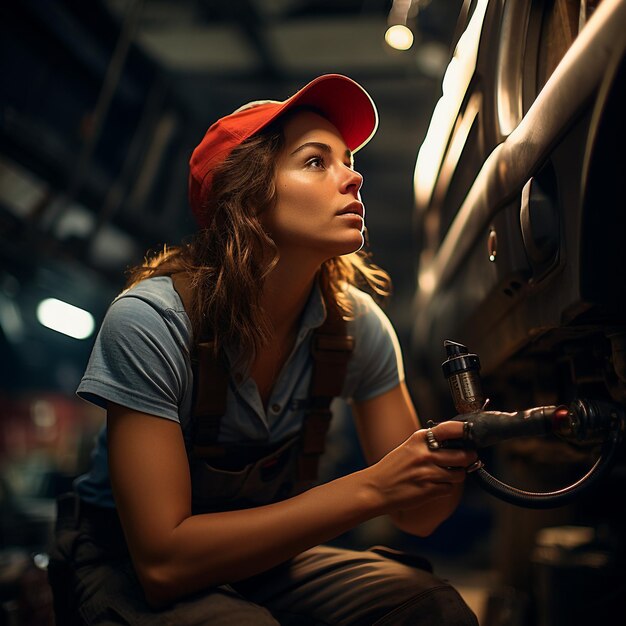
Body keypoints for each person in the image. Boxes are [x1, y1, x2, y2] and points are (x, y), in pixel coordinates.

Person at [48, 74, 480, 625]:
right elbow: (163, 563)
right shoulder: (152, 321)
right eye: (316, 162)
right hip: (124, 562)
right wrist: (374, 487)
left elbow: (419, 517)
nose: (353, 176)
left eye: (347, 159)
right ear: (248, 197)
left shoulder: (354, 326)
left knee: (431, 606)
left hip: (265, 559)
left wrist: (447, 461)